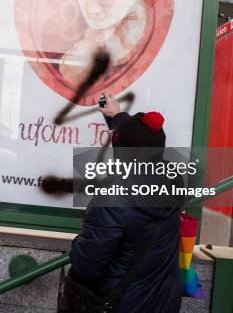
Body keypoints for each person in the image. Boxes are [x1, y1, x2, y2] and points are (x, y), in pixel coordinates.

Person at [58, 92, 182, 313]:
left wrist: (78, 243)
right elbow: (140, 145)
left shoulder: (113, 195)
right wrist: (118, 118)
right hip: (160, 303)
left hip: (119, 305)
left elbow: (87, 265)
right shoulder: (171, 181)